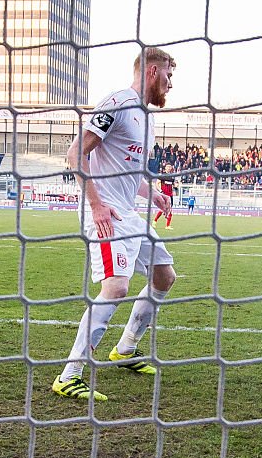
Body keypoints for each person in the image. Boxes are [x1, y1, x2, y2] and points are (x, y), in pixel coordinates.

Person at [53, 47, 178, 401]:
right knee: (116, 288)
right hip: (108, 215)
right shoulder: (118, 104)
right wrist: (97, 206)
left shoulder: (146, 118)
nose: (171, 84)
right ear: (152, 72)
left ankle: (124, 349)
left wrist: (151, 193)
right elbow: (76, 153)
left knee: (164, 276)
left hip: (130, 214)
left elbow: (127, 173)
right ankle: (70, 373)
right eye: (168, 76)